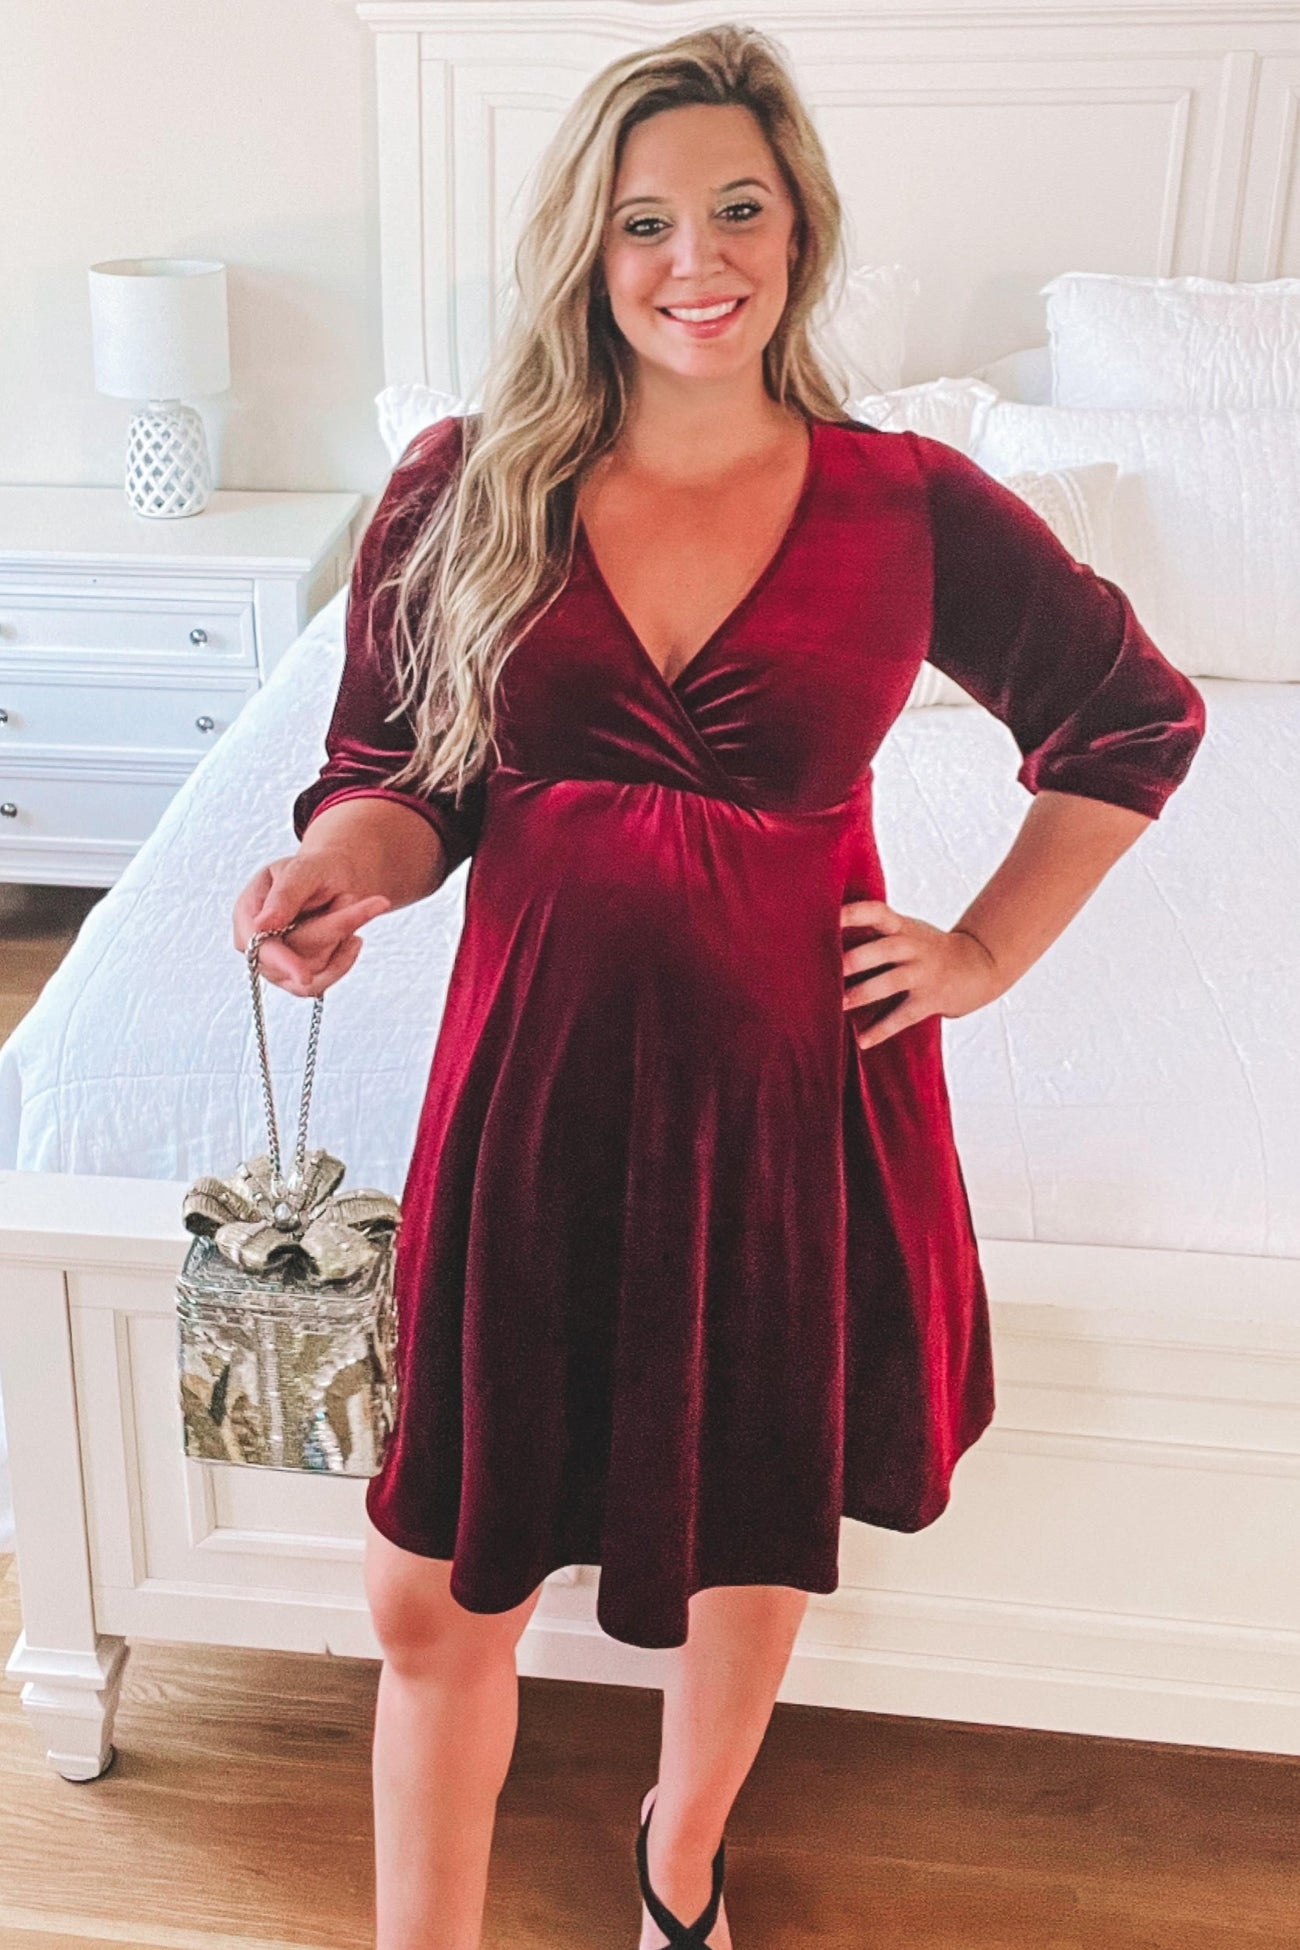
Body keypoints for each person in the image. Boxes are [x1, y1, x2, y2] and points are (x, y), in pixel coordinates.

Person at [233, 22, 1207, 1950]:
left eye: (739, 210)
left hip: (791, 1100)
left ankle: (679, 1862)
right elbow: (402, 775)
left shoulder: (905, 499)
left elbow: (1133, 717)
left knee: (755, 1525)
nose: (699, 259)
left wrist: (986, 949)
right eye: (645, 222)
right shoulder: (466, 484)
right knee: (428, 1587)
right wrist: (348, 864)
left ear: (801, 228)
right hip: (533, 1090)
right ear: (585, 253)